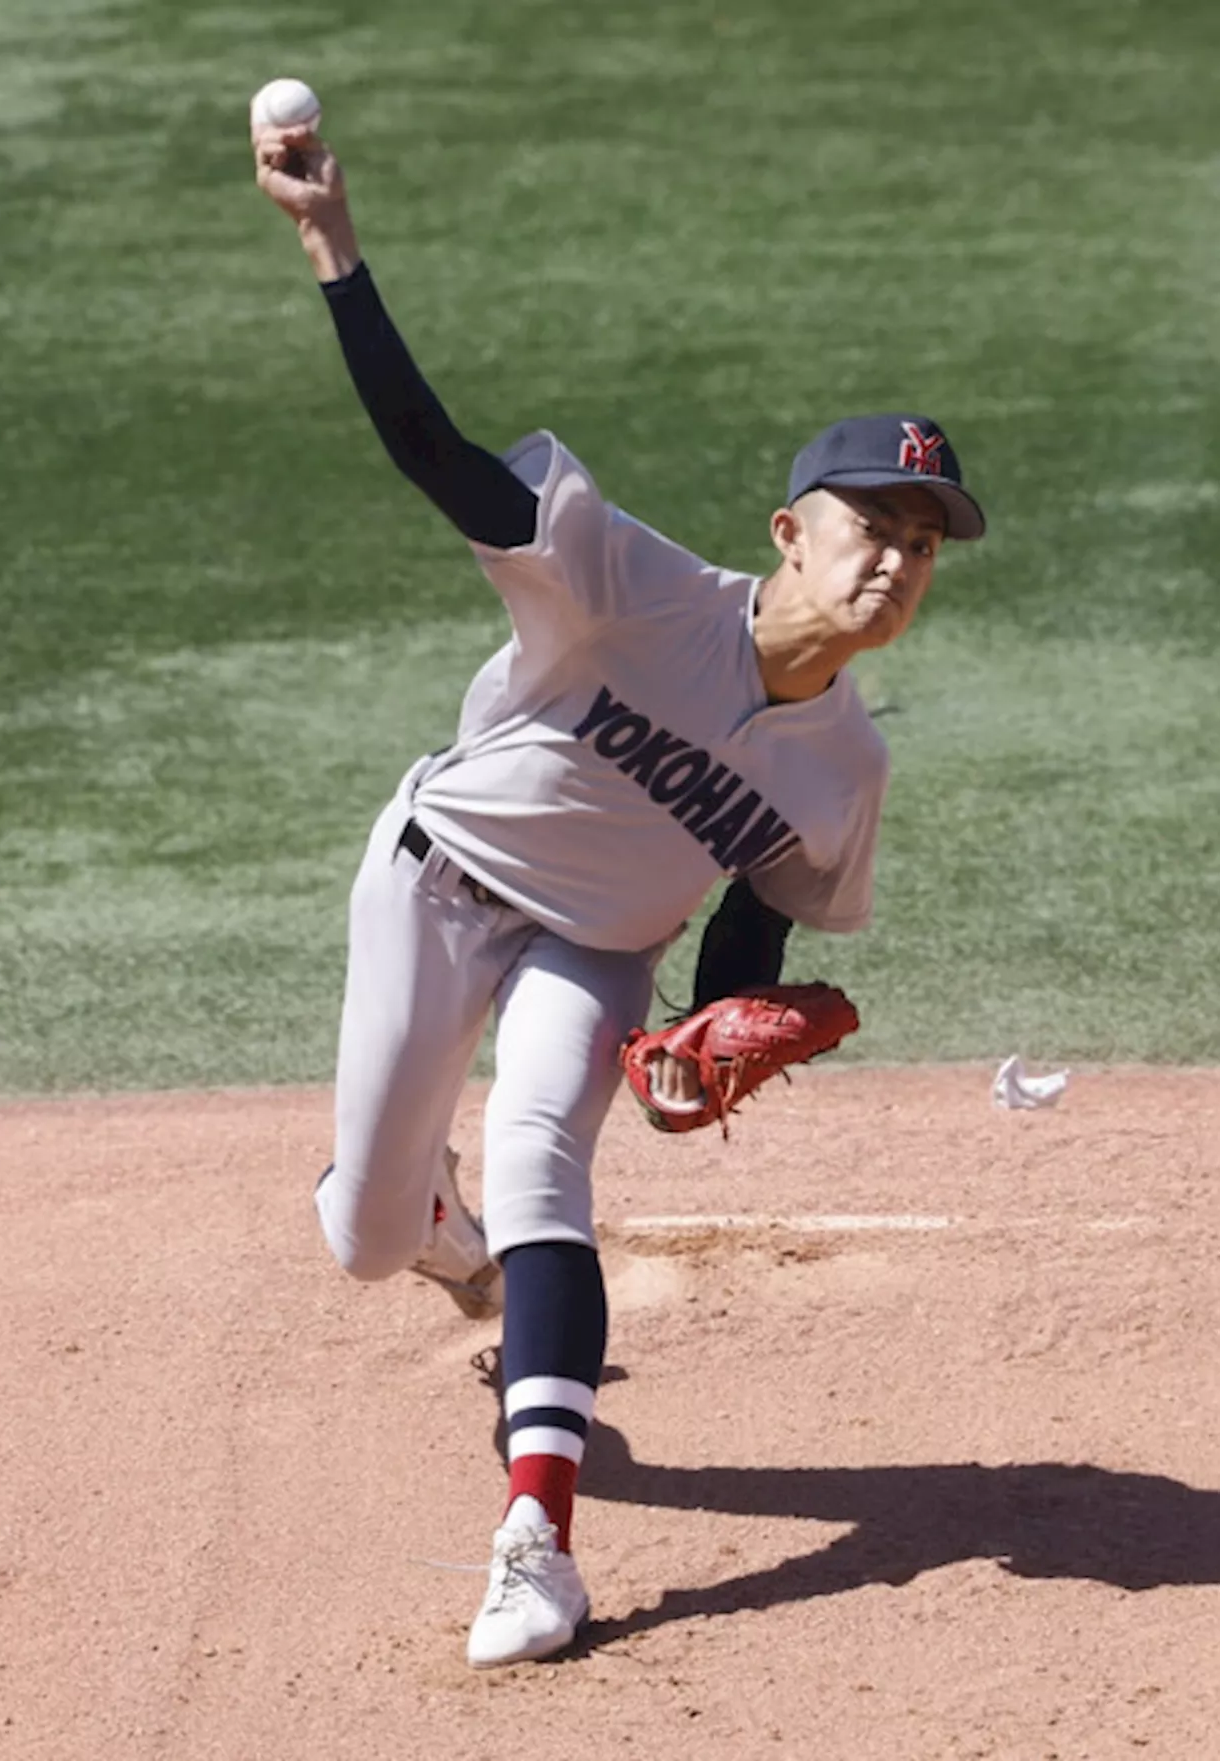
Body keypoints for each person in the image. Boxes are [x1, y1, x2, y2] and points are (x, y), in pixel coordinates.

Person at [252, 115, 986, 1670]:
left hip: (597, 948)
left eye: (926, 548)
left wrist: (709, 1024)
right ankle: (436, 1236)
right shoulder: (629, 584)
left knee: (544, 1175)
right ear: (791, 534)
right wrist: (336, 254)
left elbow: (757, 913)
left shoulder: (845, 767)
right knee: (369, 1238)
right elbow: (437, 459)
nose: (898, 564)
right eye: (876, 528)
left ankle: (540, 1545)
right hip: (437, 884)